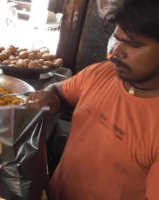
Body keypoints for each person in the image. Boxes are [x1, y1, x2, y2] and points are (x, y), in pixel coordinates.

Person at [26, 0, 159, 199]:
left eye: (134, 44)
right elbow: (58, 92)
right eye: (117, 39)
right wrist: (50, 98)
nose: (116, 52)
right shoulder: (100, 74)